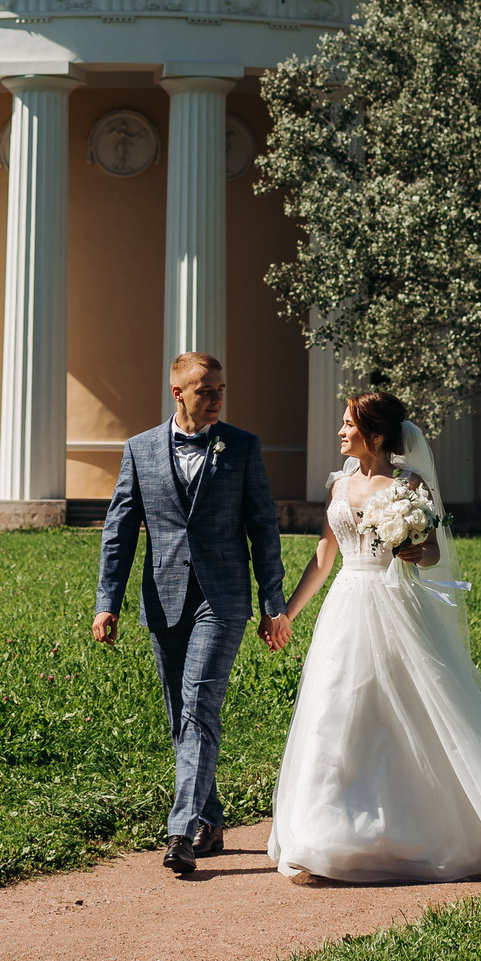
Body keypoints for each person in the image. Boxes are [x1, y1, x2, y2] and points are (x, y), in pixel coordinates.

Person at [266, 391, 481, 883]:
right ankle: (325, 836)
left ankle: (430, 830)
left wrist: (414, 553)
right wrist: (288, 613)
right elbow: (324, 556)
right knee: (336, 711)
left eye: (348, 425)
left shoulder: (410, 485)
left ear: (376, 435)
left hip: (396, 607)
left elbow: (431, 554)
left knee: (413, 710)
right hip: (346, 606)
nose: (340, 432)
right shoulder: (339, 486)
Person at [94, 352, 290, 875]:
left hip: (223, 600)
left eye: (221, 389)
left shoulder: (242, 447)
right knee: (181, 715)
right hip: (164, 598)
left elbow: (263, 529)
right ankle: (211, 818)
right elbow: (119, 531)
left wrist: (274, 604)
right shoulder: (139, 450)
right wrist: (106, 602)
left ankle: (181, 831)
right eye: (206, 391)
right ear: (177, 393)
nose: (217, 398)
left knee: (200, 702)